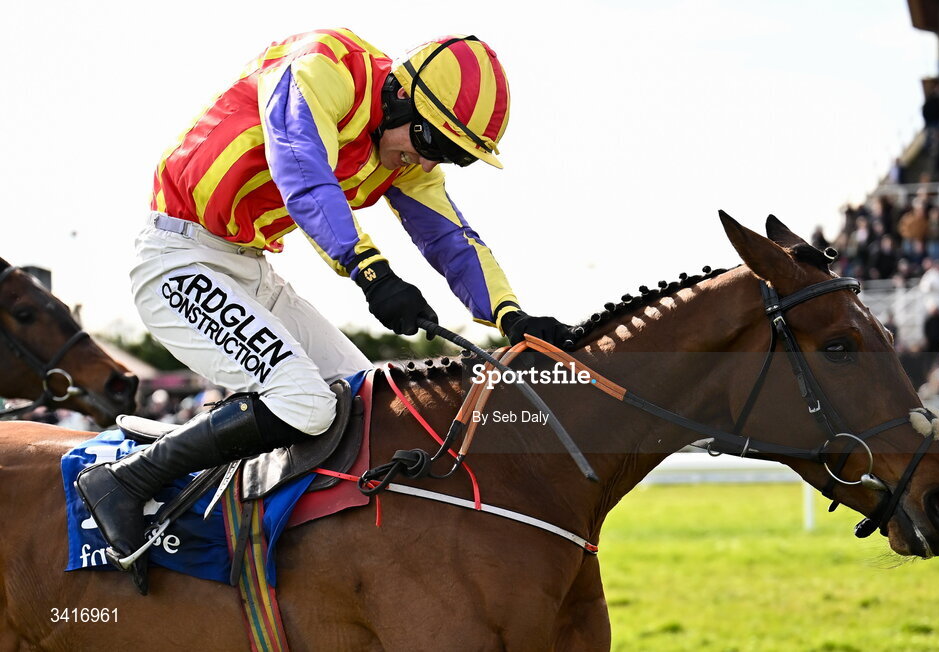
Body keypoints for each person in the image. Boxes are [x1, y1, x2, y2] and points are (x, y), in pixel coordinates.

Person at [76, 29, 572, 593]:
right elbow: (302, 171)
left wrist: (511, 316)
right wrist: (372, 271)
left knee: (373, 406)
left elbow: (451, 238)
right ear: (400, 96)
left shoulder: (407, 149)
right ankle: (127, 481)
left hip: (250, 269)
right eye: (432, 141)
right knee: (306, 404)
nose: (426, 159)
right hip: (178, 258)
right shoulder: (321, 66)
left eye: (451, 155)